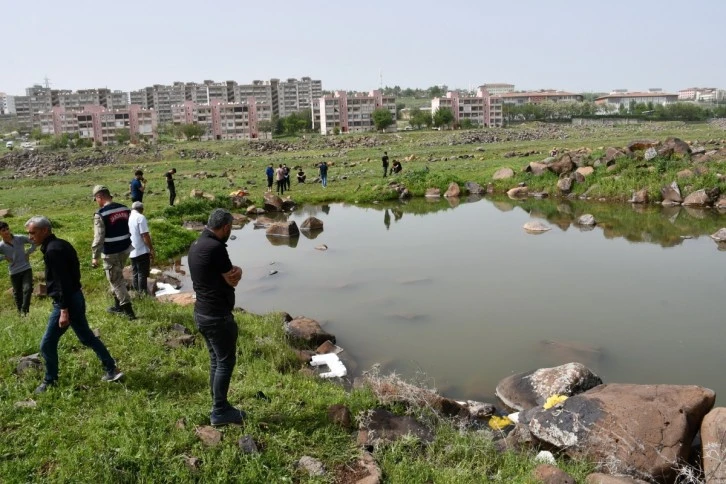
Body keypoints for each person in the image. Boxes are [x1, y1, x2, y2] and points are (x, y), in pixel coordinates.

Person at [25, 216, 124, 394]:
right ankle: (111, 369)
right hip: (75, 297)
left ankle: (50, 380)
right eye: (29, 233)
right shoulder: (61, 244)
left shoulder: (52, 251)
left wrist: (63, 310)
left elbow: (62, 282)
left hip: (67, 302)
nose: (30, 237)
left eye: (33, 233)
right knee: (86, 337)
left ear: (44, 230)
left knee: (47, 344)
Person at [188, 209, 246, 426]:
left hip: (202, 312)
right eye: (230, 228)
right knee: (225, 361)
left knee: (216, 360)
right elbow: (232, 279)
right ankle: (220, 410)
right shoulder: (216, 248)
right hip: (216, 316)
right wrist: (238, 271)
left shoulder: (197, 244)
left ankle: (218, 403)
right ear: (226, 227)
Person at [91, 185, 137, 320]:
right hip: (125, 248)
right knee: (114, 276)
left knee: (116, 281)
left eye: (96, 199)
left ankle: (128, 311)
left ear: (99, 197)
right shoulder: (125, 208)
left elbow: (99, 237)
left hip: (110, 251)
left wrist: (95, 256)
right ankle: (117, 306)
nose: (97, 202)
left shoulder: (101, 214)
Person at [0, 221, 36, 315]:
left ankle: (25, 310)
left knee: (27, 288)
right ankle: (20, 313)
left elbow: (34, 242)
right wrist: (4, 257)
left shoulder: (19, 238)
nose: (7, 231)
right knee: (17, 293)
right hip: (13, 272)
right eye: (3, 230)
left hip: (26, 268)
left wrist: (28, 252)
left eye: (7, 229)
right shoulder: (1, 246)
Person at [128, 201, 155, 296]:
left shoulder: (129, 217)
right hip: (141, 250)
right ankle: (143, 295)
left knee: (135, 273)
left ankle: (136, 294)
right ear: (141, 209)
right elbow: (145, 235)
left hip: (131, 250)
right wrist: (151, 249)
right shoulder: (140, 217)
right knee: (142, 274)